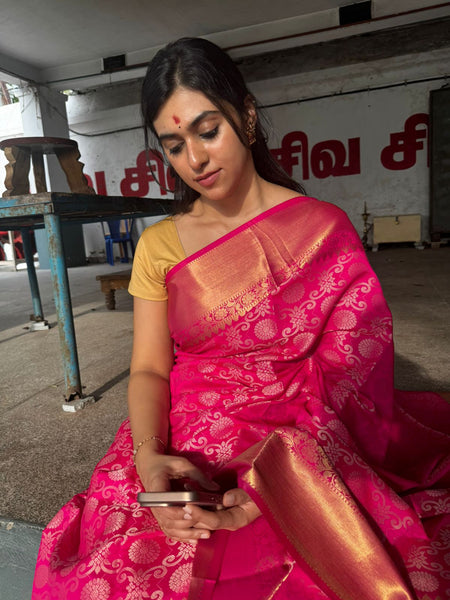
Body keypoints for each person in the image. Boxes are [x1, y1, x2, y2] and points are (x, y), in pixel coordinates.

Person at [32, 37, 449, 600]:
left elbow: (353, 376)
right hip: (185, 431)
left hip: (300, 435)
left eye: (208, 131)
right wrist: (150, 456)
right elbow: (150, 368)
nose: (195, 160)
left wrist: (278, 482)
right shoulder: (159, 245)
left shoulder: (322, 230)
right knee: (124, 564)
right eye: (174, 145)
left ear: (247, 118)